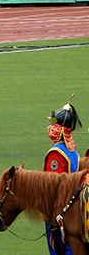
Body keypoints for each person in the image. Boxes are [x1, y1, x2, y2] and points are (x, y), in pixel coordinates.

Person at [44, 99, 81, 254]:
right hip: (72, 208)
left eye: (53, 124)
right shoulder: (72, 151)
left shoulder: (56, 153)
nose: (49, 127)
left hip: (59, 212)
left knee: (59, 249)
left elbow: (52, 187)